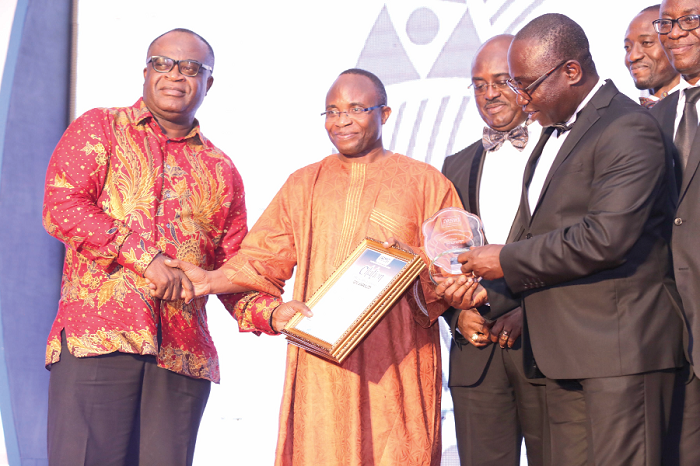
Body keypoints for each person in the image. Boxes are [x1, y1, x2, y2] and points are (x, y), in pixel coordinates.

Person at [165, 69, 461, 465]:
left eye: (356, 109)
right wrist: (212, 280)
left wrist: (411, 262)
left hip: (396, 361)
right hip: (322, 364)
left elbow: (455, 266)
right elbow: (262, 258)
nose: (341, 120)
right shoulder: (303, 184)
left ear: (385, 114)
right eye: (332, 111)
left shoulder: (425, 182)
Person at [450, 13, 684, 465]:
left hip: (620, 356)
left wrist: (506, 260)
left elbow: (605, 237)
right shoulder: (555, 133)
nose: (519, 97)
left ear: (571, 72)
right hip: (561, 360)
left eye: (526, 84)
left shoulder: (627, 128)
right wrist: (479, 298)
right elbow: (544, 231)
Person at [42, 29, 247, 465]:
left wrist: (276, 314)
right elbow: (62, 205)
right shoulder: (101, 128)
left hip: (181, 356)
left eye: (191, 67)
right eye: (163, 63)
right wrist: (147, 259)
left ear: (208, 83)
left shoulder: (222, 169)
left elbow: (234, 268)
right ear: (145, 72)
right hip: (99, 340)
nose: (175, 75)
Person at [440, 34, 549, 466]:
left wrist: (534, 309)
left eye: (502, 80)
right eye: (479, 84)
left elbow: (581, 243)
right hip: (477, 352)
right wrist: (455, 313)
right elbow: (443, 256)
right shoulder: (455, 164)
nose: (489, 93)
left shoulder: (563, 151)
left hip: (547, 345)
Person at [648, 0, 700, 463]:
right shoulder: (651, 121)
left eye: (691, 18)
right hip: (673, 336)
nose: (677, 32)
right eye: (667, 22)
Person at [624, 4, 681, 108]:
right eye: (627, 47)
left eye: (646, 42)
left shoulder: (693, 106)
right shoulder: (627, 116)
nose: (632, 57)